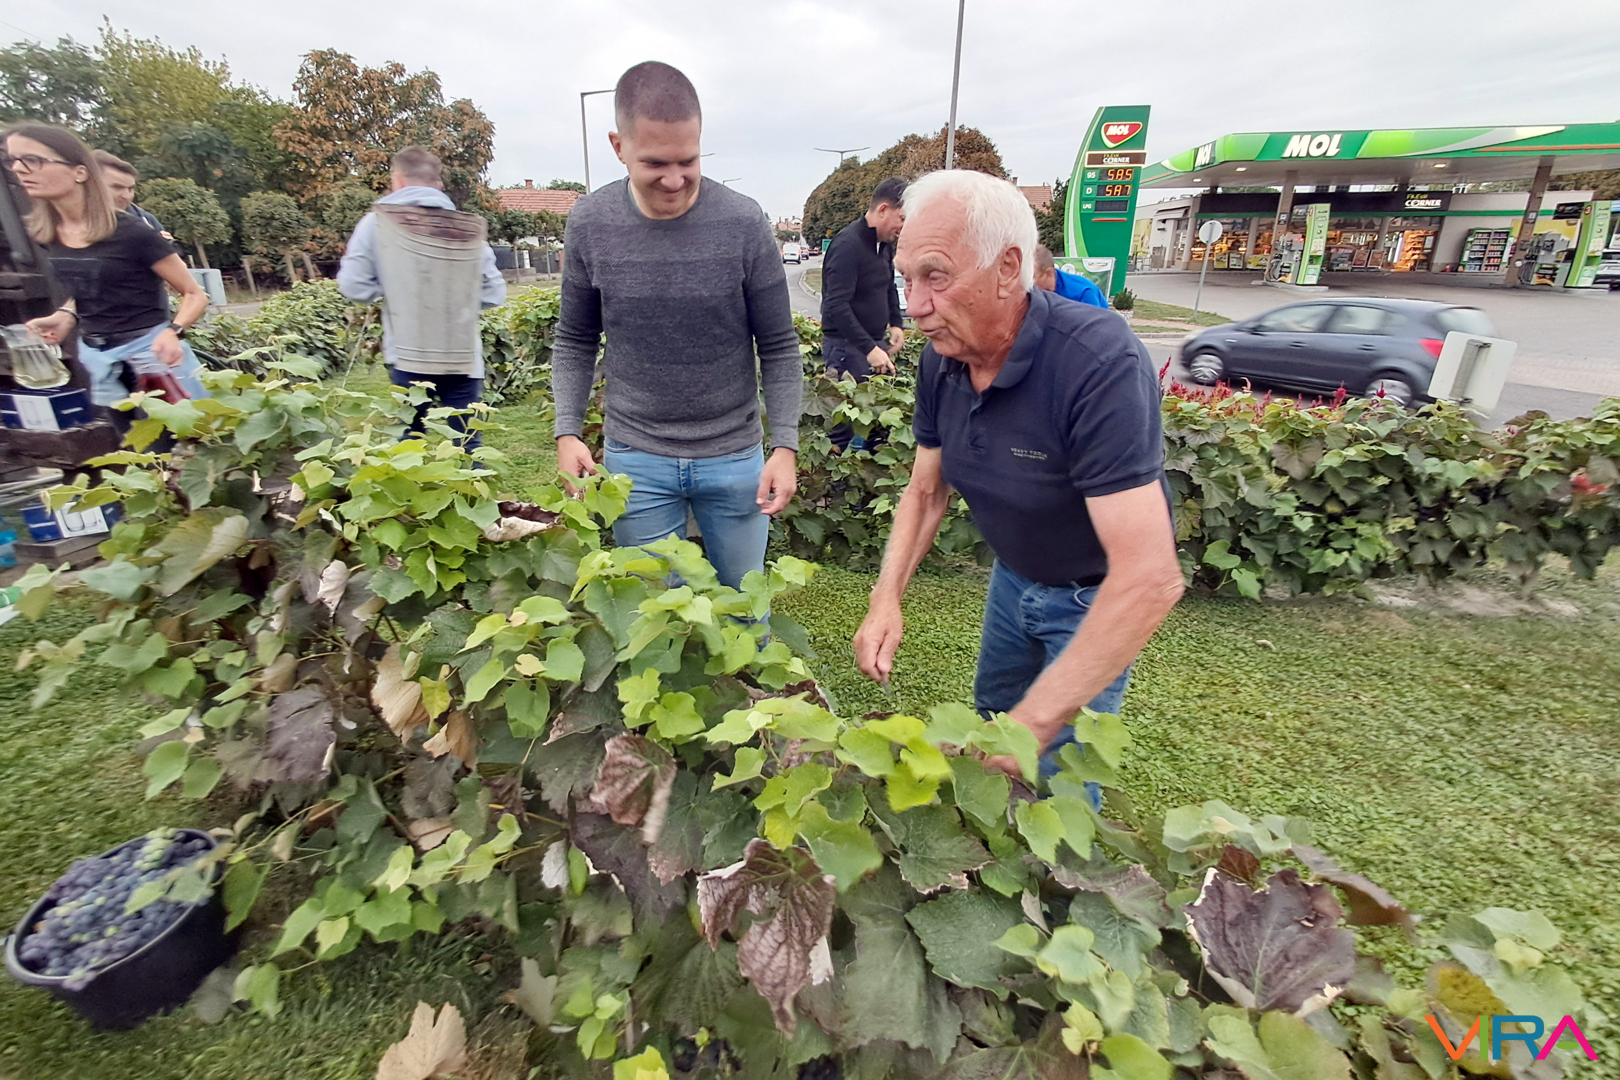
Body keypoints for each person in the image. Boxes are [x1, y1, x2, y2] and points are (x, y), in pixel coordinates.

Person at [852, 170, 1184, 786]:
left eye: (935, 276)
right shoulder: (943, 360)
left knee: (1055, 776)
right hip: (1012, 582)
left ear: (1008, 268)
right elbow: (925, 491)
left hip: (1093, 600)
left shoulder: (1097, 361)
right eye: (906, 279)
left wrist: (1035, 723)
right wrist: (885, 598)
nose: (914, 306)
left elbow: (1149, 578)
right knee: (992, 730)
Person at [551, 61, 802, 589]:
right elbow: (574, 338)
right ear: (618, 146)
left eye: (688, 160)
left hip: (734, 456)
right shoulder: (590, 223)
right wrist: (567, 430)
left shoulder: (742, 222)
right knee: (653, 617)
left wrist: (785, 445)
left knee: (744, 609)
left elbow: (779, 345)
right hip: (635, 459)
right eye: (654, 163)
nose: (674, 179)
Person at [6, 123, 210, 411]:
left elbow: (194, 293)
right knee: (130, 436)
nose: (19, 168)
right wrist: (66, 316)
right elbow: (96, 285)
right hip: (98, 358)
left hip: (152, 356)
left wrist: (173, 331)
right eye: (13, 160)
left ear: (79, 172)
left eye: (33, 160)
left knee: (188, 431)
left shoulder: (133, 232)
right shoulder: (49, 233)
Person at [337, 146, 506, 450]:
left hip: (407, 355)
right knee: (466, 445)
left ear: (398, 179)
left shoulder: (376, 224)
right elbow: (494, 292)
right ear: (438, 184)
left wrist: (393, 289)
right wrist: (458, 299)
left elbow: (353, 285)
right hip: (462, 357)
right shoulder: (465, 227)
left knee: (409, 445)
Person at [820, 177, 906, 451]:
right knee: (842, 428)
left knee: (877, 426)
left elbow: (887, 286)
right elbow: (835, 306)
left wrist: (896, 323)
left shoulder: (883, 245)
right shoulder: (848, 245)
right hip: (846, 348)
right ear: (883, 209)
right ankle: (834, 476)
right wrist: (869, 349)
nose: (904, 227)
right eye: (902, 218)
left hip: (873, 346)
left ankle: (871, 475)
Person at [92, 151, 169, 238]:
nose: (127, 196)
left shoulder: (146, 221)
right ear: (91, 185)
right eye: (117, 187)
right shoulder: (79, 224)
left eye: (130, 189)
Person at [1032, 244, 1110, 310]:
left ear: (1049, 273)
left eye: (1031, 277)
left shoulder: (1083, 293)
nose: (1026, 282)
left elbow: (1095, 322)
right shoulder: (1032, 293)